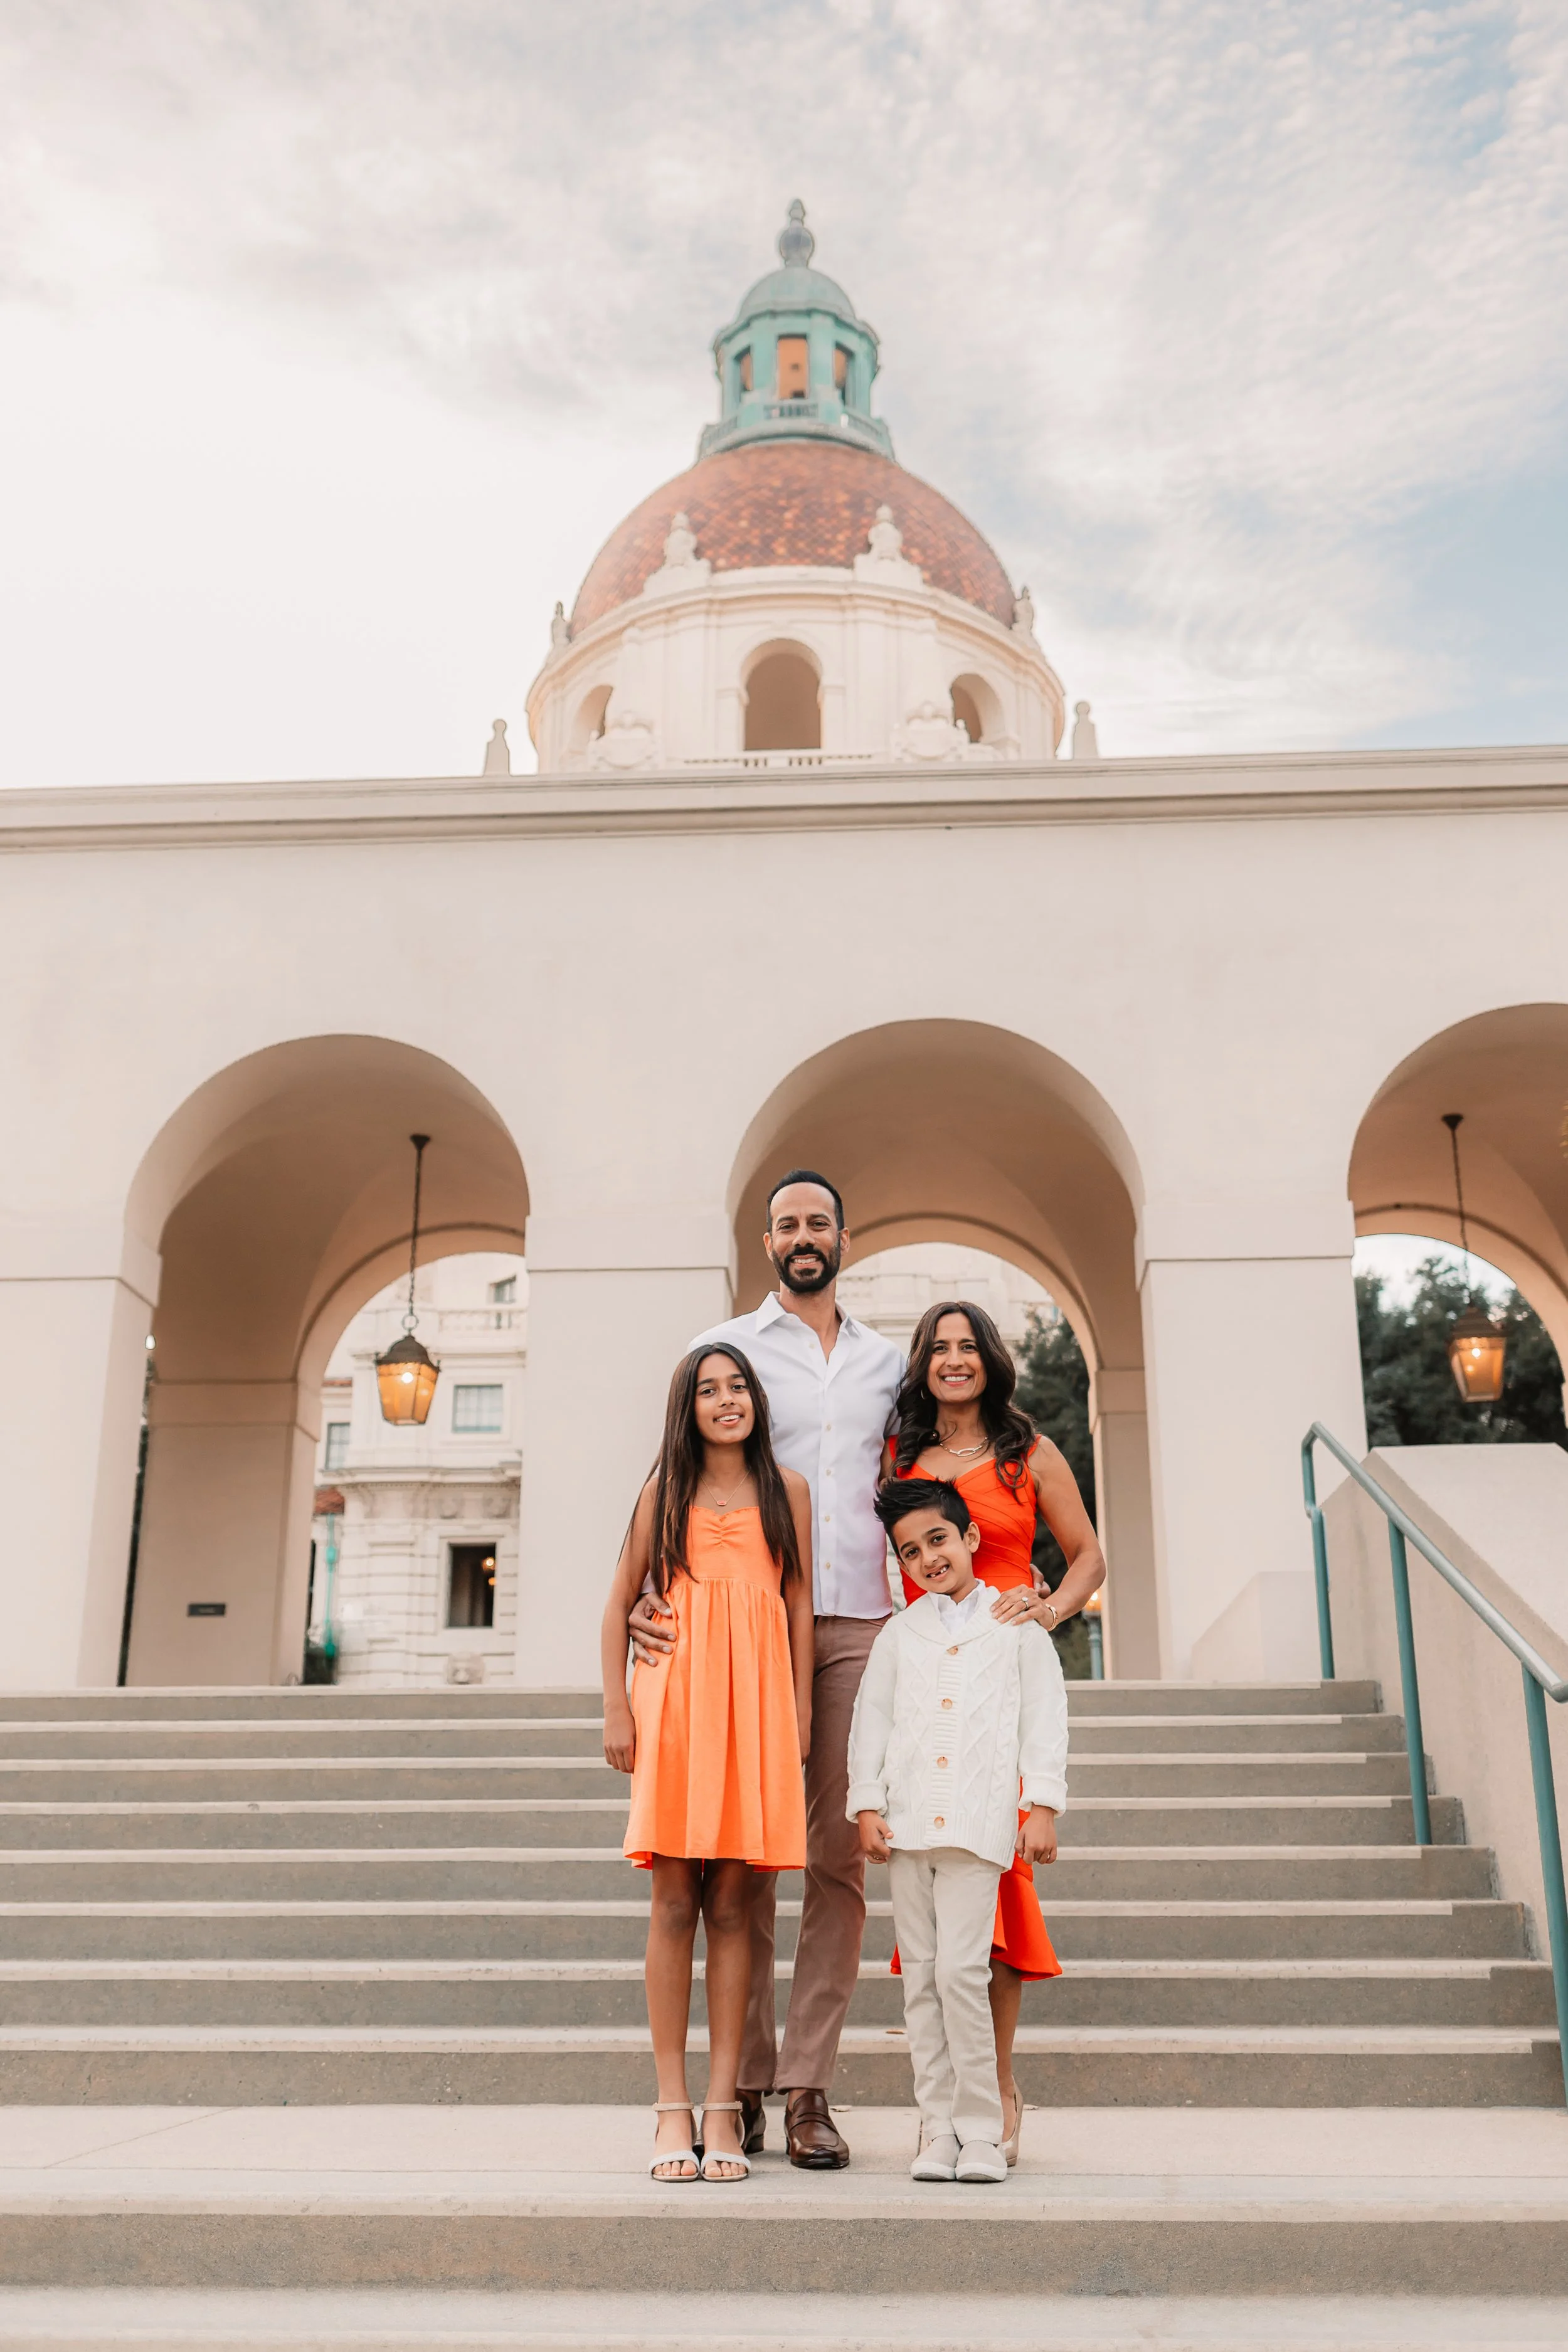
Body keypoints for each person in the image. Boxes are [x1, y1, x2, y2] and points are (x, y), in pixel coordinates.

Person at [628, 1170, 902, 2169]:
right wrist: (651, 1597)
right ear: (767, 1239)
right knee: (740, 1859)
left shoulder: (889, 1361)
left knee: (835, 1858)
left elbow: (917, 1478)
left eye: (818, 1221)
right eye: (786, 1224)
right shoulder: (731, 1350)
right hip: (735, 1634)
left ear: (843, 1234)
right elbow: (676, 1472)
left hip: (860, 1626)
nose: (802, 1236)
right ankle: (735, 2088)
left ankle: (808, 2090)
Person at [882, 1299, 1105, 2164]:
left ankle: (998, 2089)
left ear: (991, 1359)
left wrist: (1045, 1610)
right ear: (922, 1363)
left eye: (967, 1346)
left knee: (1001, 1890)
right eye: (938, 1348)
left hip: (1001, 1678)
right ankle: (950, 2103)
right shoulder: (901, 1454)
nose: (953, 1360)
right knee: (934, 1903)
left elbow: (1087, 1553)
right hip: (925, 1677)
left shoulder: (1028, 1451)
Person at [601, 1343, 814, 2183]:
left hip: (756, 1702)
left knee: (735, 1900)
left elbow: (798, 1597)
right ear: (686, 1408)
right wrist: (617, 1703)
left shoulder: (787, 1489)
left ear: (757, 1399)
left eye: (737, 1387)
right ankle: (670, 2104)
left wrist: (799, 1709)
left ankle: (724, 2102)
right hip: (677, 1698)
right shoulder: (666, 1490)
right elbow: (620, 1600)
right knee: (671, 1897)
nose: (726, 1400)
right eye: (707, 1390)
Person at [849, 1477, 1068, 2183]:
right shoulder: (898, 1634)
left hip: (977, 1833)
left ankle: (980, 2130)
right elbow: (871, 1722)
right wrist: (866, 1804)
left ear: (970, 1538)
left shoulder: (1014, 1627)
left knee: (961, 1976)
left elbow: (1043, 1718)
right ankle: (936, 2129)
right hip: (908, 1830)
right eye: (910, 1551)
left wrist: (1041, 1805)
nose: (927, 1558)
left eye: (937, 1539)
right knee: (919, 1981)